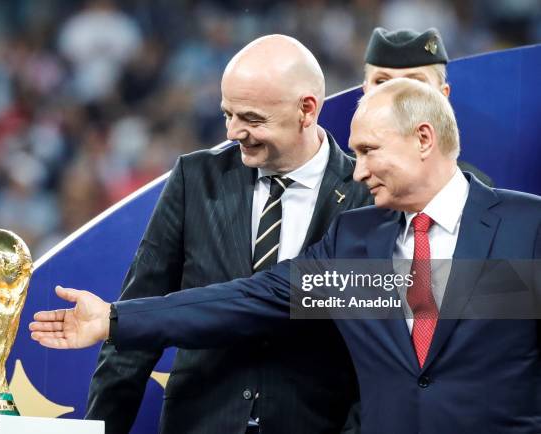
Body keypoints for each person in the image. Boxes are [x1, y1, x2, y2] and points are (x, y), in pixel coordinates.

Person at [30, 78, 541, 433]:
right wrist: (116, 318)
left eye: (368, 151)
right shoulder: (357, 239)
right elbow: (252, 298)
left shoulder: (529, 227)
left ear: (423, 139)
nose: (358, 172)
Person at [84, 34, 371, 434]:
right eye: (227, 114)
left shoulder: (366, 193)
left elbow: (378, 350)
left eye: (252, 119)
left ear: (307, 110)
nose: (234, 132)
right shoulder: (195, 178)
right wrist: (102, 427)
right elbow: (138, 318)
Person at [362, 27, 493, 186]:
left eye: (415, 82)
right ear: (365, 92)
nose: (395, 94)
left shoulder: (471, 188)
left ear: (443, 96)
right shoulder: (336, 182)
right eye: (382, 82)